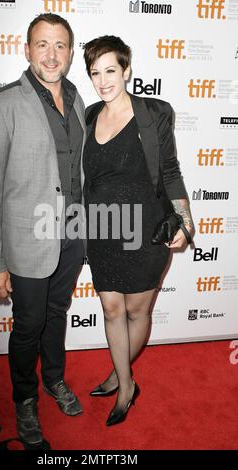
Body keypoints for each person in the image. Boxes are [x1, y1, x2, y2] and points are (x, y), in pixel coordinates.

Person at [0, 14, 86, 450]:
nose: (51, 54)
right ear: (26, 50)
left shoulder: (76, 99)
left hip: (73, 237)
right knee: (28, 325)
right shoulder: (0, 104)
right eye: (42, 45)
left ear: (71, 53)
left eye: (60, 46)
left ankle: (54, 380)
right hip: (27, 242)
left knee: (57, 316)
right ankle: (25, 400)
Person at [83, 36, 194, 426]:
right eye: (95, 72)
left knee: (136, 309)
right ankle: (126, 382)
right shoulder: (89, 115)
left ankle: (120, 374)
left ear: (126, 70)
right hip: (101, 230)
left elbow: (170, 171)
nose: (102, 80)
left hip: (145, 229)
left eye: (110, 70)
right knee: (111, 309)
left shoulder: (154, 113)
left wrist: (185, 218)